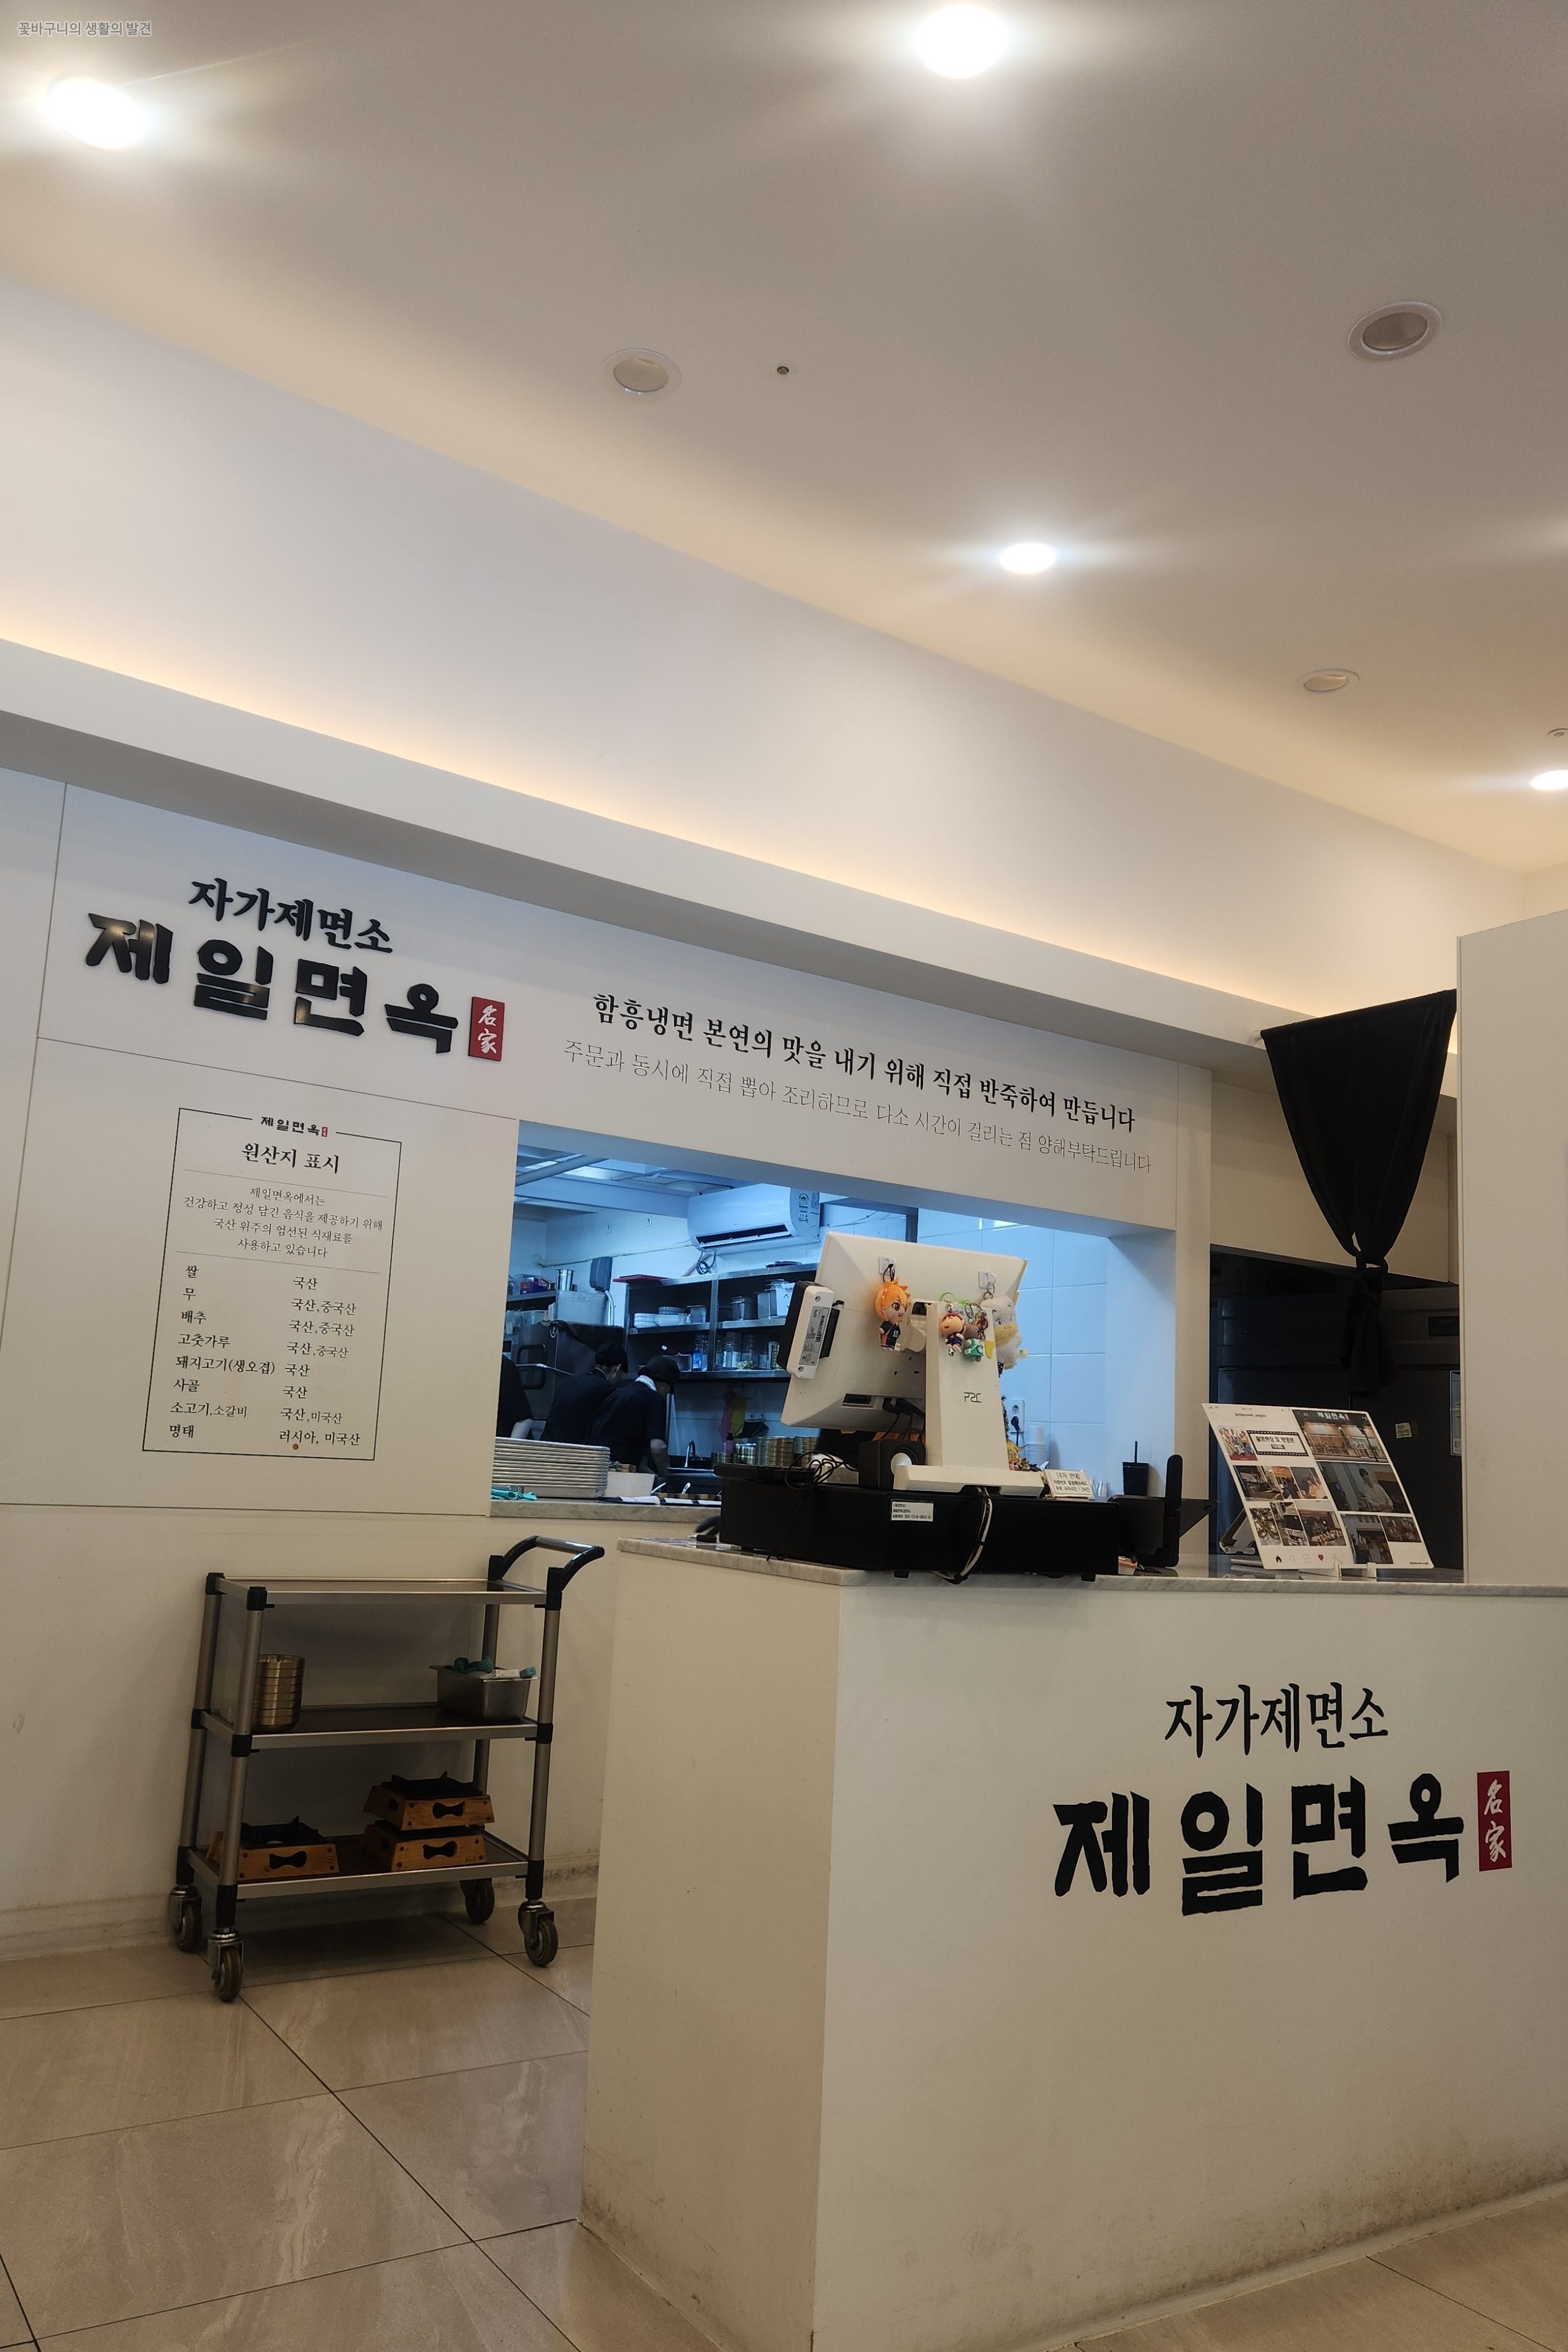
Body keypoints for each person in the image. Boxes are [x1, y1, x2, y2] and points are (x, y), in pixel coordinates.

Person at [590, 1352, 680, 1475]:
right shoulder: (654, 1398)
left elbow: (625, 1441)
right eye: (668, 1392)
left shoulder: (619, 1393)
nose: (665, 1395)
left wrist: (649, 1474)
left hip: (598, 1469)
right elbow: (658, 1448)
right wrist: (666, 1473)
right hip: (621, 1474)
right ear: (664, 1385)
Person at [542, 1338, 627, 1444]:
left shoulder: (570, 1381)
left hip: (546, 1447)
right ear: (617, 1370)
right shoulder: (609, 1391)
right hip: (574, 1451)